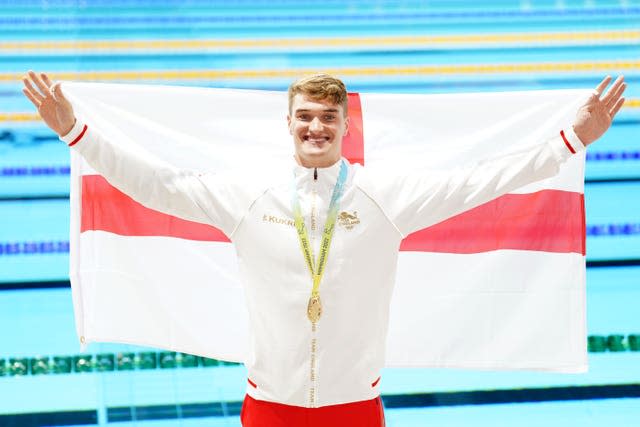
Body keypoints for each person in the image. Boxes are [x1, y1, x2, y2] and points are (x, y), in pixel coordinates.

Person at [22, 71, 626, 427]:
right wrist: (77, 132)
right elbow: (153, 183)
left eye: (328, 118)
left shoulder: (387, 197)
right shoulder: (247, 197)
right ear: (287, 124)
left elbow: (481, 181)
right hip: (267, 409)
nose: (316, 127)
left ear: (343, 127)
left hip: (356, 412)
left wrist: (573, 140)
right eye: (305, 117)